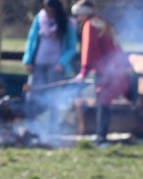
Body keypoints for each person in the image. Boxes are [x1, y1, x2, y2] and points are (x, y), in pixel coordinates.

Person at [71, 0, 131, 145]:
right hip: (113, 67)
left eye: (79, 15)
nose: (78, 19)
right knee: (105, 102)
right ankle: (101, 137)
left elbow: (88, 49)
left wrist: (84, 71)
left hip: (106, 69)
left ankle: (101, 138)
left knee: (103, 102)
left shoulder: (90, 25)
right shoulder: (101, 22)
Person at [23, 0, 79, 123]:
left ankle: (52, 127)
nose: (47, 12)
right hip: (38, 64)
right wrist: (28, 59)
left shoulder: (67, 23)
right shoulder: (39, 19)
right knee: (32, 95)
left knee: (53, 97)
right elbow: (31, 39)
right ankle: (30, 125)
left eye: (50, 10)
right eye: (45, 9)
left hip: (55, 66)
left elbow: (71, 47)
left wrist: (62, 63)